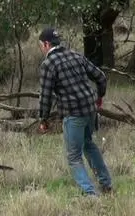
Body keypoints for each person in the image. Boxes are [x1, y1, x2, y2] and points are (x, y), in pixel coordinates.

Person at [37, 27, 113, 196]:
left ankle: (90, 194)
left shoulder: (49, 64)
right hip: (90, 108)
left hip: (73, 113)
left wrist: (43, 119)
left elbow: (46, 95)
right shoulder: (75, 55)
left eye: (41, 45)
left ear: (47, 44)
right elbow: (100, 76)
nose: (41, 48)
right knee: (89, 144)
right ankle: (107, 185)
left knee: (74, 156)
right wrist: (99, 96)